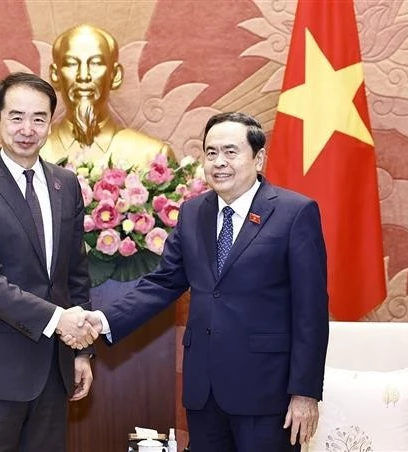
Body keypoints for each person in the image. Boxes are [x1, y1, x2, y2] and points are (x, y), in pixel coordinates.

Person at [72, 112, 329, 451]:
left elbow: (311, 311)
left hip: (267, 393)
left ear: (259, 157)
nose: (219, 162)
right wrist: (102, 320)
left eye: (230, 152)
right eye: (211, 153)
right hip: (204, 391)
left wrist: (305, 392)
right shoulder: (194, 213)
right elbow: (163, 283)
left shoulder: (294, 213)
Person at [0, 72, 98, 452]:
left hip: (53, 369)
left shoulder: (66, 184)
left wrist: (81, 351)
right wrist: (56, 320)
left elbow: (75, 274)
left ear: (50, 123)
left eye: (38, 118)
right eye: (16, 117)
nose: (27, 129)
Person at [41, 24, 174, 168]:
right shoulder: (33, 155)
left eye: (96, 63)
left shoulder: (152, 156)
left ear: (115, 75)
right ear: (55, 75)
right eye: (71, 64)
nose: (84, 76)